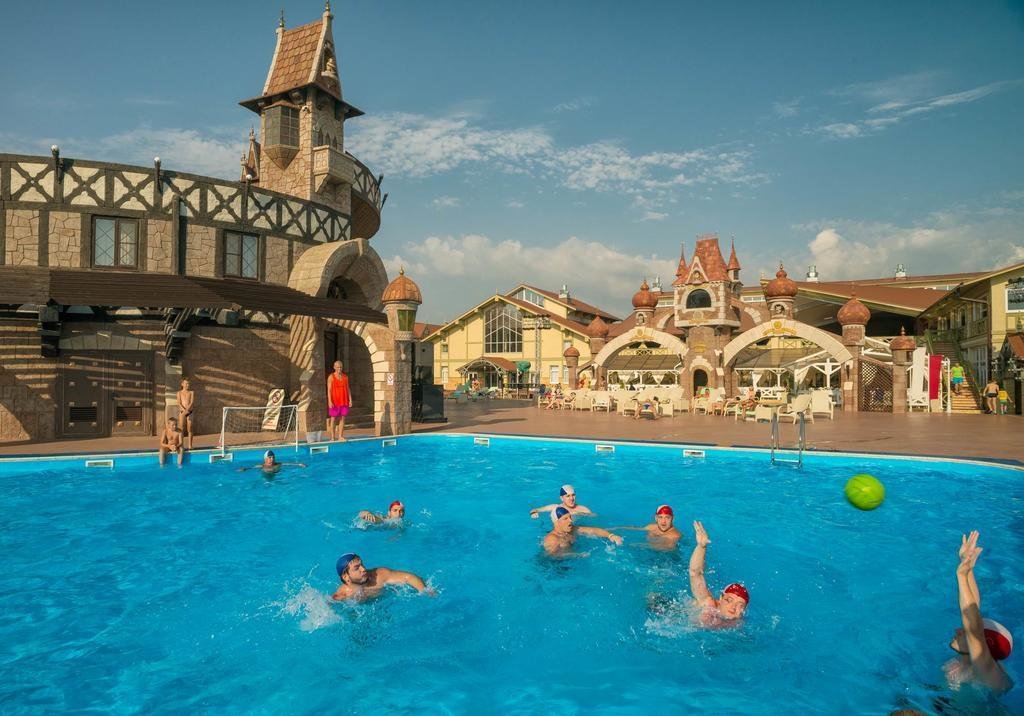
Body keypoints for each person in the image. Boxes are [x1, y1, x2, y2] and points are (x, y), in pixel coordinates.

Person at [944, 530, 1014, 694]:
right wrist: (967, 568)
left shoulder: (988, 674)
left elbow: (974, 627)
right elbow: (973, 611)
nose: (958, 630)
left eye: (966, 632)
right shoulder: (965, 662)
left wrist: (961, 575)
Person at [688, 520, 749, 624]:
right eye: (729, 600)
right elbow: (695, 573)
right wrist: (701, 547)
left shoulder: (738, 623)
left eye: (740, 605)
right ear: (720, 598)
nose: (733, 608)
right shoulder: (709, 606)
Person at [331, 553, 434, 601]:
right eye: (357, 568)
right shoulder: (343, 595)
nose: (363, 569)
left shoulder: (379, 575)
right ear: (346, 576)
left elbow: (409, 577)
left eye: (362, 564)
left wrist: (425, 591)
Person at [543, 507, 623, 555]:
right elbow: (552, 555)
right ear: (556, 523)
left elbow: (593, 530)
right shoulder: (552, 539)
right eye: (565, 518)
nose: (570, 520)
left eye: (570, 517)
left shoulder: (573, 529)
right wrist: (576, 555)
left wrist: (610, 536)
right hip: (556, 568)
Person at [612, 505, 682, 550]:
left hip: (669, 560)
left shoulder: (674, 535)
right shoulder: (651, 527)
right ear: (656, 518)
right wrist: (617, 528)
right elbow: (635, 529)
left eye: (667, 518)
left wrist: (641, 545)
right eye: (660, 517)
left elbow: (668, 548)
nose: (663, 521)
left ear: (673, 519)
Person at [530, 484, 594, 521]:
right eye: (568, 496)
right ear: (561, 498)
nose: (571, 498)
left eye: (573, 495)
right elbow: (535, 510)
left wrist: (580, 514)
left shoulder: (583, 509)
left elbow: (593, 517)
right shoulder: (555, 507)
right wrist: (533, 513)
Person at [326, 360, 352, 441]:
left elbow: (348, 388)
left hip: (344, 401)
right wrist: (330, 401)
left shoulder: (345, 377)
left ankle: (340, 436)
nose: (339, 369)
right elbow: (329, 390)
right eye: (337, 367)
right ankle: (332, 437)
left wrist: (350, 399)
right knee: (333, 419)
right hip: (334, 401)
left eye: (340, 367)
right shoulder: (331, 377)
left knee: (342, 418)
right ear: (334, 367)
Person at [237, 449, 306, 475]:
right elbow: (252, 467)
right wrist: (244, 469)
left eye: (273, 457)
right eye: (270, 457)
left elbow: (288, 464)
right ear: (265, 459)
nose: (272, 459)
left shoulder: (278, 464)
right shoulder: (262, 466)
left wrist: (299, 464)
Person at [176, 377, 196, 450]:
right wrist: (184, 410)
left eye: (188, 384)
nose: (188, 385)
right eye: (186, 383)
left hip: (189, 412)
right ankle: (181, 445)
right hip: (182, 412)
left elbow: (192, 402)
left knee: (190, 428)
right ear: (182, 384)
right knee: (181, 429)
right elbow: (179, 402)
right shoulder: (179, 393)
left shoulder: (191, 392)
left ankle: (190, 445)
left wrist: (187, 409)